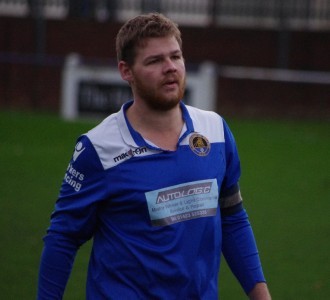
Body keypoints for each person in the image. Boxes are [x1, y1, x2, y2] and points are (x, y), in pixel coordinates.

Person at [37, 13, 271, 299]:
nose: (170, 68)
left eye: (176, 56)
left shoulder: (215, 131)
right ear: (126, 71)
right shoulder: (98, 148)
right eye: (155, 61)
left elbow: (232, 216)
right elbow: (63, 237)